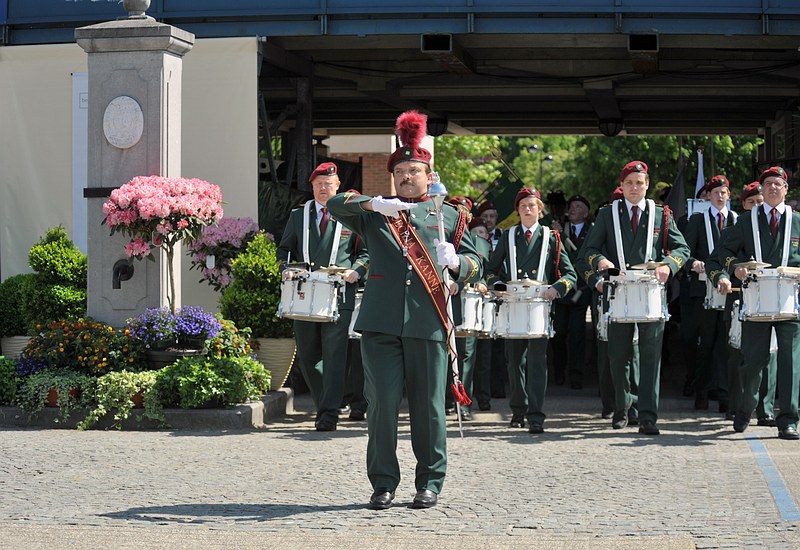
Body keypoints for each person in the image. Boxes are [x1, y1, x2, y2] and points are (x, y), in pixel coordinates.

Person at [326, 110, 483, 509]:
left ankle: (429, 481)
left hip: (427, 323)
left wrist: (458, 265)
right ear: (393, 177)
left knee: (429, 407)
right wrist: (375, 204)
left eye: (415, 171)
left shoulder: (450, 215)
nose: (408, 178)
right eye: (402, 173)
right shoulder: (377, 212)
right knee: (380, 406)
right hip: (380, 325)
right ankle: (382, 482)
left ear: (429, 175)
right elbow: (336, 203)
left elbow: (478, 260)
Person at [577, 160, 690, 435]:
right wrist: (601, 260)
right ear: (622, 186)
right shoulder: (608, 214)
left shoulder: (661, 214)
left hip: (651, 293)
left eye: (639, 182)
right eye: (629, 183)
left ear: (647, 184)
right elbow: (588, 250)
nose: (634, 187)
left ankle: (648, 416)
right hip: (620, 293)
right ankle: (621, 408)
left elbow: (681, 248)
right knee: (618, 356)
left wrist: (669, 264)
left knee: (651, 358)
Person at [708, 166, 800, 440]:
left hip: (790, 303)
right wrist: (734, 267)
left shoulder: (797, 221)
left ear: (786, 190)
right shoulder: (747, 222)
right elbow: (720, 253)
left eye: (778, 184)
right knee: (752, 362)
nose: (773, 188)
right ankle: (746, 407)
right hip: (757, 303)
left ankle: (788, 420)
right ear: (761, 190)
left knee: (790, 362)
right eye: (768, 184)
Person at [277, 162, 369, 432]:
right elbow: (284, 251)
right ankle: (330, 400)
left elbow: (367, 253)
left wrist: (357, 271)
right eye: (318, 185)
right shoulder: (299, 216)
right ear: (312, 187)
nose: (323, 189)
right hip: (305, 292)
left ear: (337, 185)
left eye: (328, 184)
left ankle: (327, 414)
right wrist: (287, 270)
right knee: (307, 357)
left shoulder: (352, 215)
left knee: (335, 355)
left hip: (340, 294)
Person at [486, 187, 577, 433]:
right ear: (517, 211)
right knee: (514, 362)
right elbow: (490, 272)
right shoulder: (508, 236)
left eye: (532, 205)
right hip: (513, 306)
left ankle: (536, 415)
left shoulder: (552, 238)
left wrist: (557, 288)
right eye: (524, 205)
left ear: (540, 210)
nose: (528, 209)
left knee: (537, 364)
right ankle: (518, 409)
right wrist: (497, 286)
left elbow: (569, 274)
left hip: (540, 308)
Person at [682, 175, 737, 411]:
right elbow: (684, 252)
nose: (720, 196)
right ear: (708, 196)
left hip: (730, 290)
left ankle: (724, 395)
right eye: (715, 193)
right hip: (702, 290)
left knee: (727, 344)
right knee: (705, 344)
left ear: (729, 195)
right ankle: (701, 391)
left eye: (723, 192)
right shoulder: (698, 220)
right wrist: (693, 263)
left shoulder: (737, 220)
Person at [551, 194, 593, 389]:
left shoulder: (591, 231)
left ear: (585, 213)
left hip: (581, 288)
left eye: (578, 206)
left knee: (577, 334)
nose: (573, 209)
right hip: (562, 288)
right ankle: (558, 371)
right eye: (572, 206)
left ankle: (576, 375)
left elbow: (579, 256)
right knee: (558, 333)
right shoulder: (560, 228)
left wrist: (563, 236)